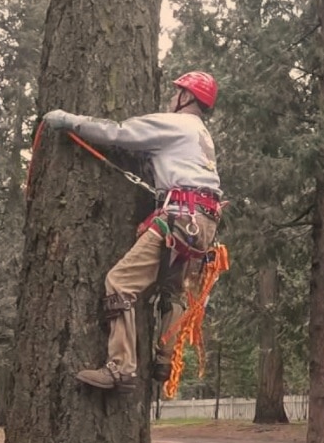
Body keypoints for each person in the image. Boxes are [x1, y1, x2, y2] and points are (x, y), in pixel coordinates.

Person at [42, 71, 223, 392]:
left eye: (176, 93)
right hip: (201, 225)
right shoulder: (202, 135)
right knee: (173, 291)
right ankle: (163, 359)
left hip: (181, 219)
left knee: (120, 281)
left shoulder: (176, 123)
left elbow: (118, 132)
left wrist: (71, 121)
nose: (171, 98)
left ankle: (121, 368)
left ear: (187, 98)